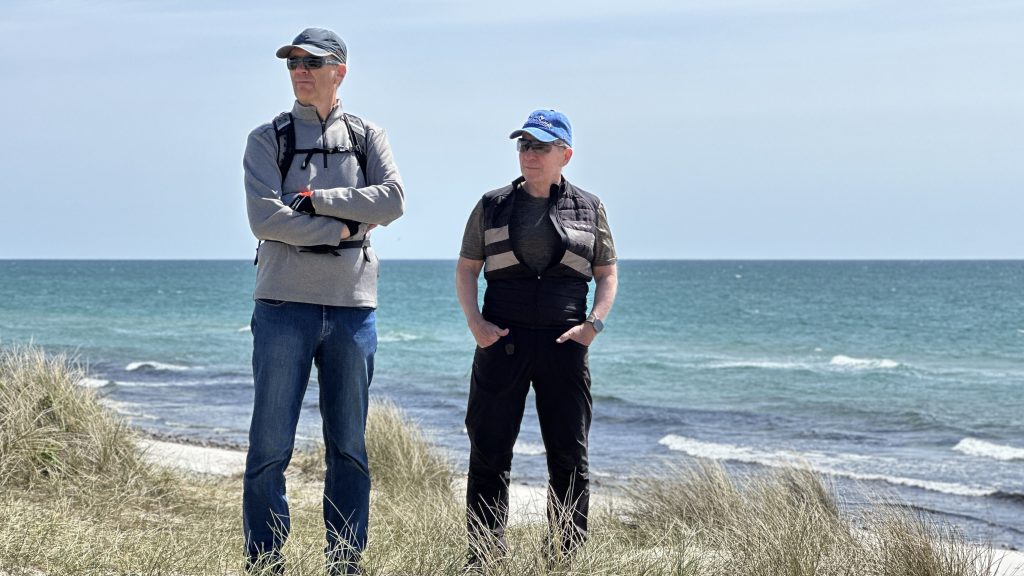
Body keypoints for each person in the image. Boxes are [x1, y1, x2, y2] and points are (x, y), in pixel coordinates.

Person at [242, 27, 404, 575]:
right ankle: (265, 562)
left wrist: (314, 201)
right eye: (293, 64)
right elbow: (265, 219)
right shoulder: (266, 139)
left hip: (353, 309)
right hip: (282, 306)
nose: (300, 72)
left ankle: (345, 563)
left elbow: (393, 201)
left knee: (349, 447)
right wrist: (341, 230)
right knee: (269, 446)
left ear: (340, 71)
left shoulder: (367, 135)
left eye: (311, 62)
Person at [455, 109, 619, 565]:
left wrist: (592, 326)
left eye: (540, 147)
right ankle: (484, 560)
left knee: (569, 458)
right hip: (501, 341)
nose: (529, 154)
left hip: (564, 345)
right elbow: (467, 269)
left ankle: (565, 559)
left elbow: (607, 274)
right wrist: (475, 323)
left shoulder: (590, 207)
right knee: (489, 454)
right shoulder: (491, 204)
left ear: (565, 154)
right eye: (524, 145)